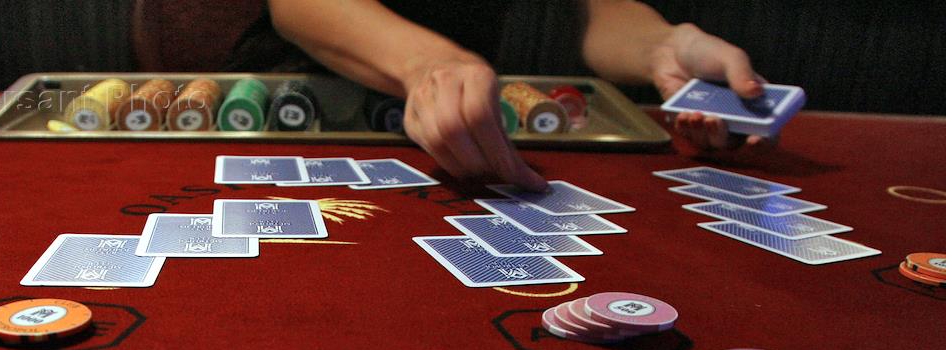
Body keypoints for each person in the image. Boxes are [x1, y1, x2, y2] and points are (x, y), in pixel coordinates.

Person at [254, 0, 767, 189]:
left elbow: (589, 12)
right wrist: (429, 64)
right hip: (303, 105)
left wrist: (664, 47)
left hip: (474, 115)